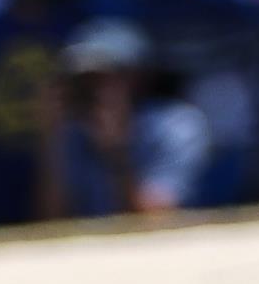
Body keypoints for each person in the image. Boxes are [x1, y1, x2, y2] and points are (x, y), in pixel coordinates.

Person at [34, 18, 211, 218]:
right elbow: (51, 222)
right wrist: (51, 141)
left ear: (139, 76)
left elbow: (155, 223)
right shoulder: (72, 131)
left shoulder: (178, 126)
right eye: (86, 79)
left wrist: (116, 153)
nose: (95, 88)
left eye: (106, 77)